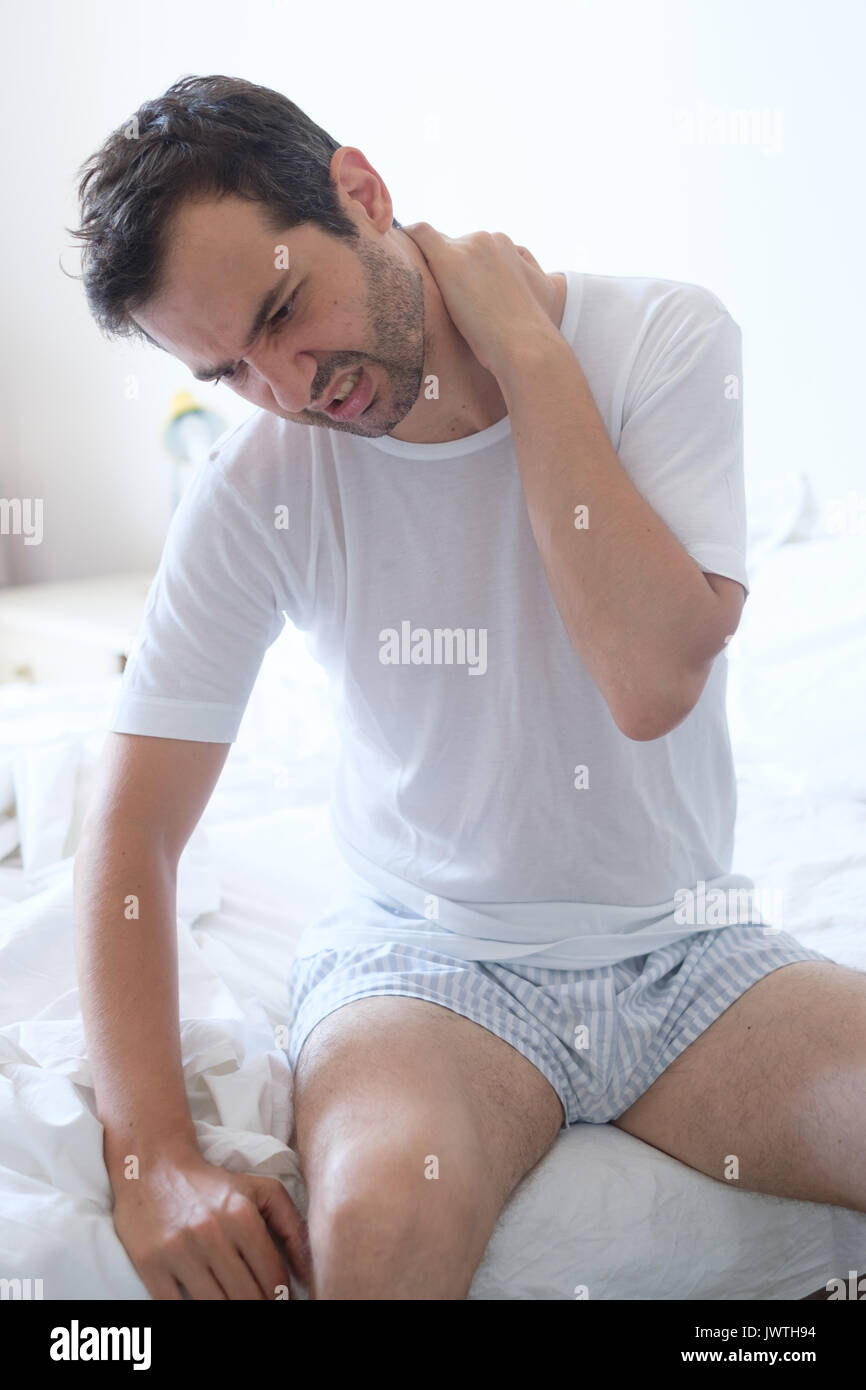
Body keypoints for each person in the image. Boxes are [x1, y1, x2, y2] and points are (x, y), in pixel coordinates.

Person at [71, 74, 862, 1302]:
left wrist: (528, 354)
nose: (285, 388)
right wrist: (155, 1159)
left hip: (685, 954)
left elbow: (648, 678)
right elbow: (130, 826)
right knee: (379, 1231)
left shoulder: (661, 340)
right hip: (423, 971)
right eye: (227, 371)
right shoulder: (257, 486)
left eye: (284, 310)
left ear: (363, 194)